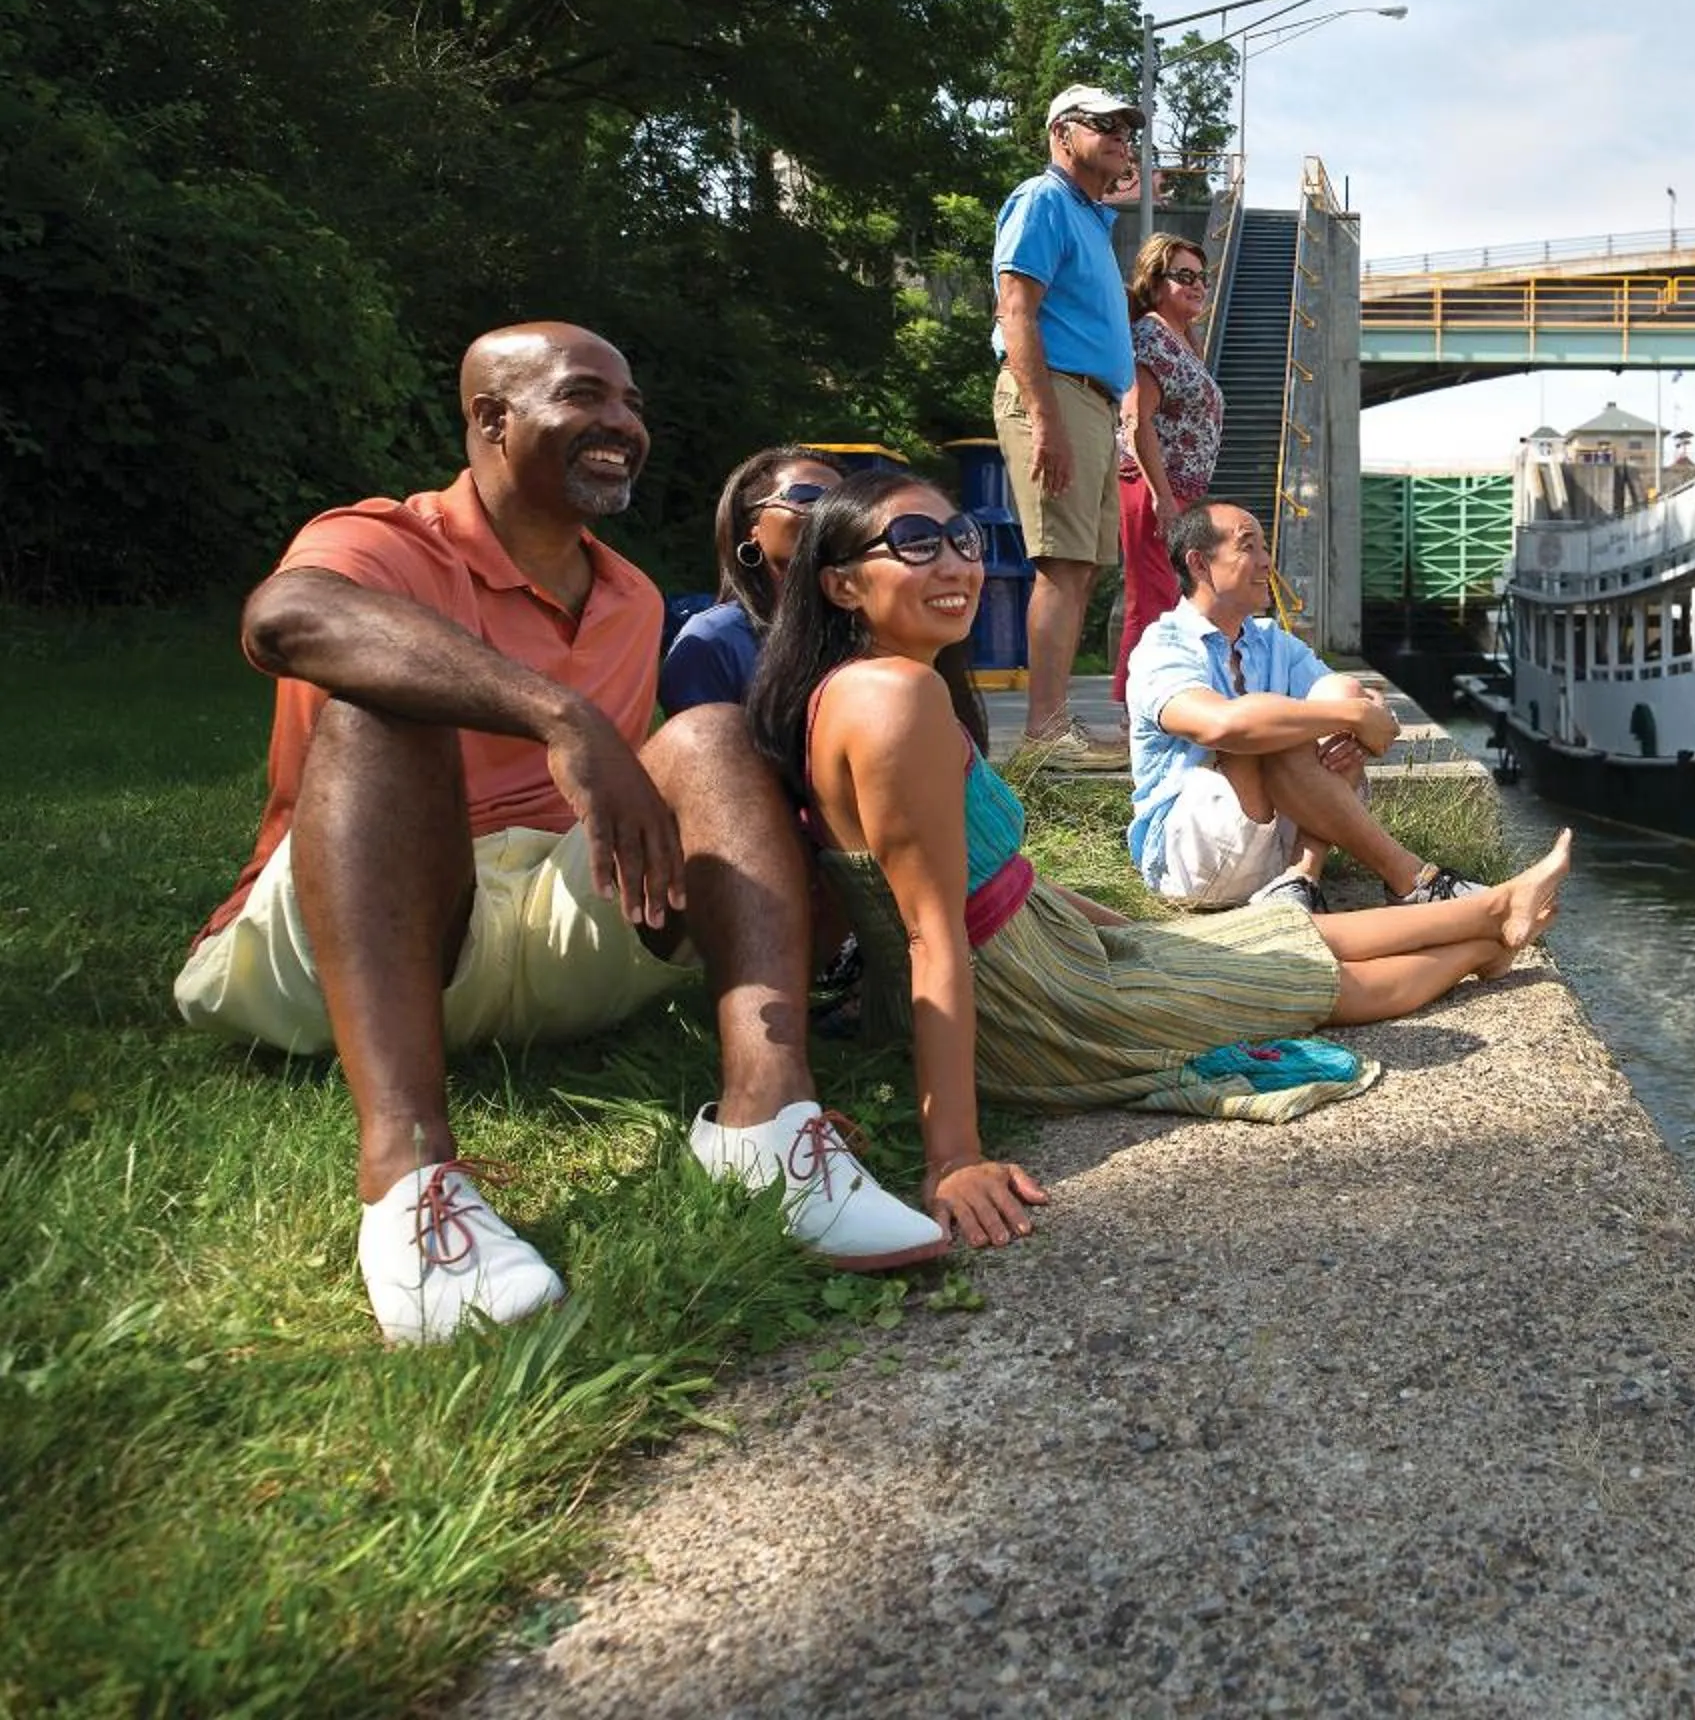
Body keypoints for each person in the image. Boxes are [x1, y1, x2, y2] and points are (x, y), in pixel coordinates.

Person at [173, 325, 947, 1346]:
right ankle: (410, 1185)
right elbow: (284, 616)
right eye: (586, 395)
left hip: (547, 919)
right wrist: (560, 714)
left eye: (632, 404)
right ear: (491, 417)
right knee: (378, 709)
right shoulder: (387, 539)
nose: (623, 423)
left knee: (712, 734)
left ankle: (768, 1126)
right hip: (352, 941)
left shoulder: (630, 596)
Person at [744, 470, 1572, 1252]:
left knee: (1244, 942)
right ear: (841, 584)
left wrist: (1115, 928)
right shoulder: (895, 697)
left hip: (1041, 944)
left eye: (961, 538)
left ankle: (1490, 912)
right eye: (915, 544)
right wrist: (954, 1157)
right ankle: (1483, 941)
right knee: (1288, 986)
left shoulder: (870, 684)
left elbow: (984, 877)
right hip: (1025, 999)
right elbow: (932, 934)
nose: (955, 563)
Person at [1124, 503, 1484, 915]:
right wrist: (1353, 718)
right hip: (1192, 858)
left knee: (1338, 691)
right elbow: (1222, 727)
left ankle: (1301, 878)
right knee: (1270, 726)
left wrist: (1361, 717)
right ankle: (1411, 877)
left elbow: (1355, 700)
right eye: (1248, 547)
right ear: (1199, 564)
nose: (1266, 561)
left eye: (1265, 547)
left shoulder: (1268, 640)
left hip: (1276, 845)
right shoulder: (1163, 646)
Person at [991, 82, 1143, 768]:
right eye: (1103, 125)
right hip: (1056, 393)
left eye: (1125, 130)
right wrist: (1045, 419)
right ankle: (1045, 733)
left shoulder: (1088, 216)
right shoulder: (1043, 199)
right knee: (1061, 563)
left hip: (1089, 401)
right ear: (1061, 133)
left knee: (1080, 567)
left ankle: (1055, 724)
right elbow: (1016, 311)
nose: (1119, 137)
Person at [1111, 231, 1224, 703]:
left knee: (1170, 597)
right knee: (1152, 596)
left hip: (1179, 490)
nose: (1197, 285)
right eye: (1184, 276)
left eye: (1201, 277)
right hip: (1152, 486)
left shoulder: (1184, 338)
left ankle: (1159, 696)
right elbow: (1137, 420)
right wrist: (1161, 497)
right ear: (1156, 282)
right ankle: (1136, 705)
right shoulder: (1153, 335)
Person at [660, 447, 842, 714]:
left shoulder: (858, 636)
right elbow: (698, 737)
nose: (827, 512)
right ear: (751, 527)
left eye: (840, 502)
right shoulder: (716, 639)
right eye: (806, 495)